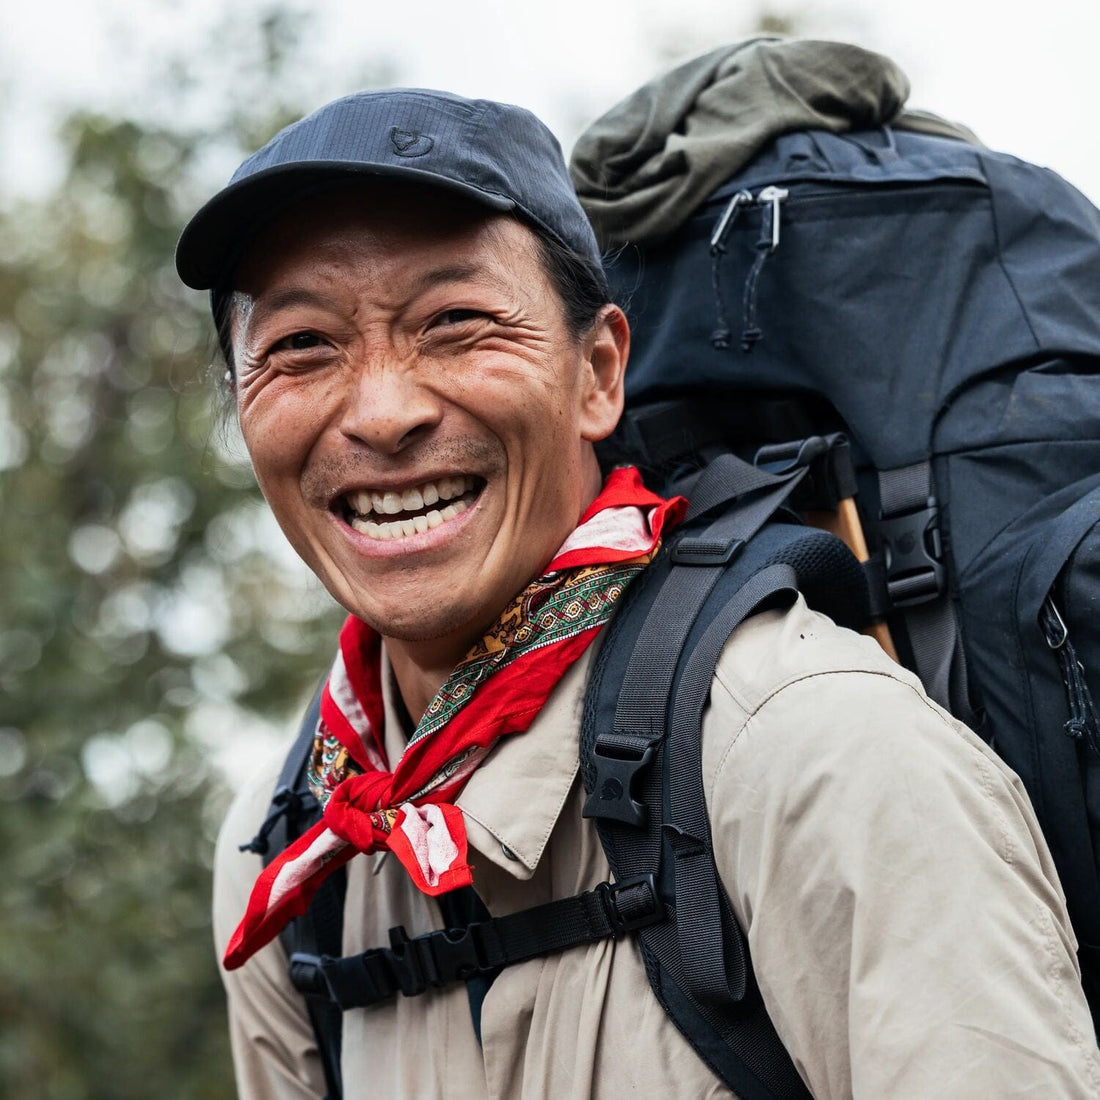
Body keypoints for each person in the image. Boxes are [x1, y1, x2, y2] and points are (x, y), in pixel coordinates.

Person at [176, 88, 1100, 1098]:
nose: (384, 411)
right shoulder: (293, 851)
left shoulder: (809, 753)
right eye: (302, 345)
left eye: (455, 322)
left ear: (596, 373)